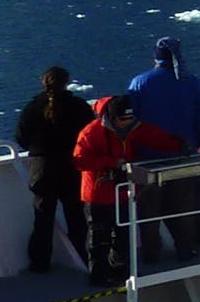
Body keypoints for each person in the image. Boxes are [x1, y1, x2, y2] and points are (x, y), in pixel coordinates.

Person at [71, 94, 181, 286]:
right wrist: (111, 163)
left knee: (123, 236)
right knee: (99, 239)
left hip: (122, 193)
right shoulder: (91, 133)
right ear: (113, 118)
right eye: (124, 119)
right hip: (98, 194)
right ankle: (98, 276)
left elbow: (151, 136)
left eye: (130, 118)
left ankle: (121, 272)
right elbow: (80, 161)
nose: (128, 123)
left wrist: (178, 145)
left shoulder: (133, 128)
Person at [128, 38, 200, 258]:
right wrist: (197, 141)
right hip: (183, 154)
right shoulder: (190, 81)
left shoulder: (140, 83)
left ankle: (151, 252)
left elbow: (131, 119)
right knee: (183, 206)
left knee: (148, 209)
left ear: (155, 57)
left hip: (148, 156)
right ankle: (186, 248)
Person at [15, 67, 91, 271]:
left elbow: (21, 137)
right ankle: (83, 258)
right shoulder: (78, 106)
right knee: (76, 215)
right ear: (67, 82)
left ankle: (40, 262)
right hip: (71, 166)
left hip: (41, 167)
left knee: (42, 215)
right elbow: (89, 134)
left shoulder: (31, 108)